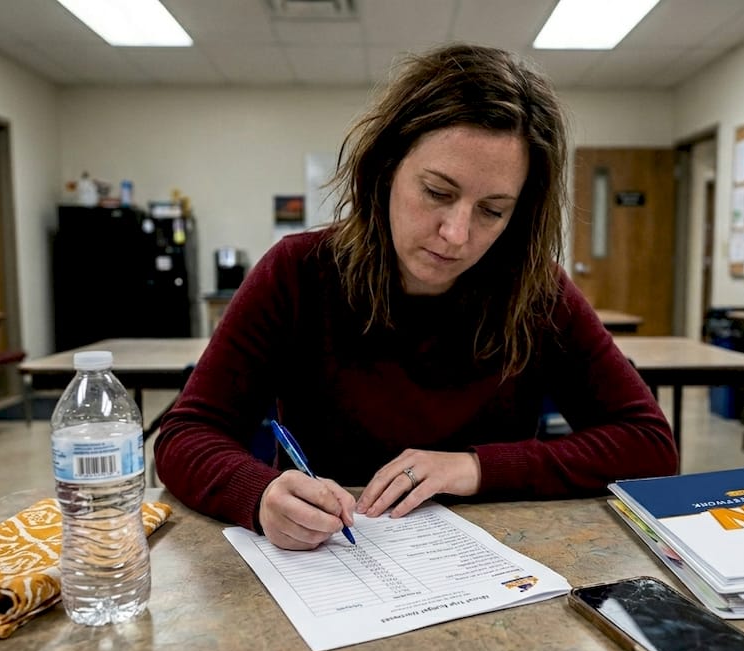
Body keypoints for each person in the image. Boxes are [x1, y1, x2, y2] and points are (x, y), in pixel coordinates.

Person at [155, 43, 678, 551]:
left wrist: (474, 467)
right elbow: (186, 434)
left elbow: (649, 445)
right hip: (332, 561)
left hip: (494, 566)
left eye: (492, 210)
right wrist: (260, 493)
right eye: (437, 192)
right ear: (385, 169)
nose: (456, 233)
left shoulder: (537, 292)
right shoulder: (297, 272)